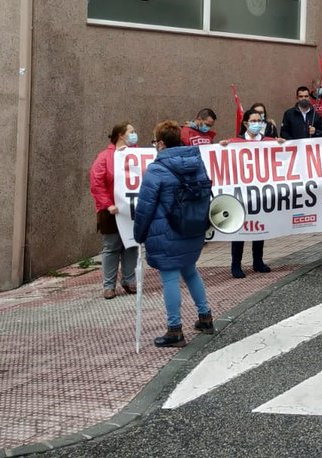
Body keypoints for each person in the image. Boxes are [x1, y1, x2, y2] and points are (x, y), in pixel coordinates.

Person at [134, 119, 214, 348]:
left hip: (166, 231)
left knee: (170, 278)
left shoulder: (157, 169)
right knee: (190, 271)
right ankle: (205, 316)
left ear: (160, 143)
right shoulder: (197, 162)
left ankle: (175, 329)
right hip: (193, 227)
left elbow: (145, 206)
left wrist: (139, 234)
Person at [89, 122, 140, 299]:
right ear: (120, 135)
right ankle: (109, 285)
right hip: (110, 211)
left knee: (131, 245)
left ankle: (128, 280)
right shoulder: (105, 157)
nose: (135, 135)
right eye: (131, 132)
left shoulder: (136, 155)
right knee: (111, 247)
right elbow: (96, 183)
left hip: (130, 209)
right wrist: (108, 204)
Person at [228, 108, 275, 278]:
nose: (257, 124)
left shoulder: (268, 141)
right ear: (246, 123)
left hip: (260, 191)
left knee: (259, 224)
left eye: (259, 121)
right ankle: (236, 264)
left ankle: (258, 261)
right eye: (253, 121)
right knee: (239, 227)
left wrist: (282, 145)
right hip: (242, 191)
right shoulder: (235, 142)